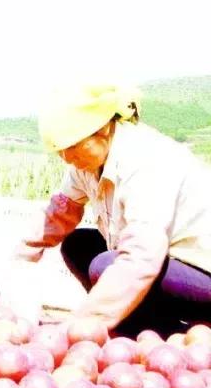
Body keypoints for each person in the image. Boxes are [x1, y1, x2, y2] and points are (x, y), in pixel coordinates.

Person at [16, 83, 211, 337]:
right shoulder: (87, 162)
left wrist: (86, 322)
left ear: (103, 129)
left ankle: (156, 333)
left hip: (201, 272)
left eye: (73, 146)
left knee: (106, 265)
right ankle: (142, 326)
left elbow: (142, 255)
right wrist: (17, 260)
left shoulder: (146, 160)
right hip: (163, 264)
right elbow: (59, 213)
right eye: (60, 151)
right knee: (77, 245)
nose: (67, 157)